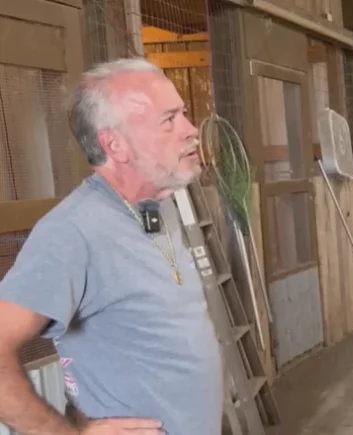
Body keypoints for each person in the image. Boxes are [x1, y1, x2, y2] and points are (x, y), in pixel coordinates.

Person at [0, 58, 222, 434]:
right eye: (168, 120)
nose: (190, 130)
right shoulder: (72, 233)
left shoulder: (157, 204)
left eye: (183, 114)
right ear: (115, 145)